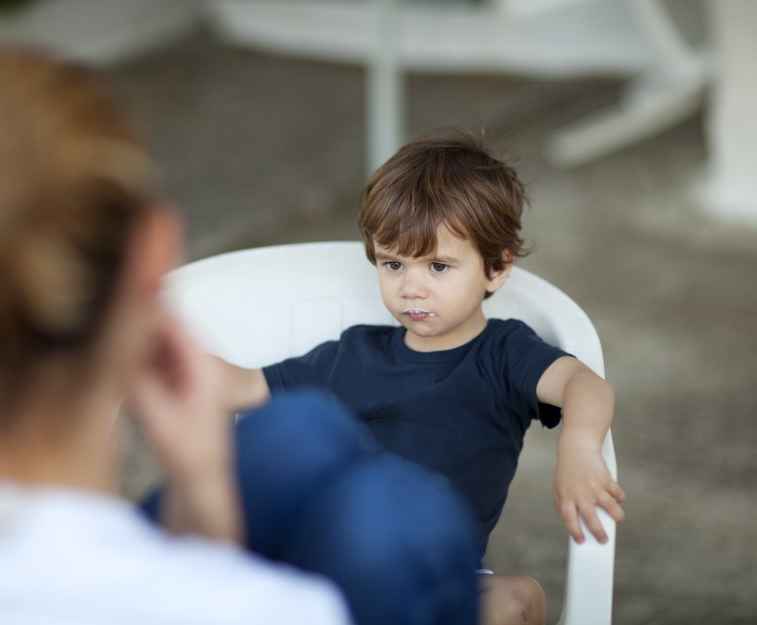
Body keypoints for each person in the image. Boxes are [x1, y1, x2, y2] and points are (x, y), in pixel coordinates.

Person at [0, 48, 478, 624]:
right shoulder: (282, 612)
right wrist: (200, 501)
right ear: (155, 252)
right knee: (409, 520)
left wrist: (200, 482)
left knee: (301, 430)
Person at [216, 127, 627, 625]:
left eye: (437, 267)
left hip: (441, 575)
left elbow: (584, 385)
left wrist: (579, 449)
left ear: (496, 269)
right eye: (393, 264)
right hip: (333, 564)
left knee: (518, 598)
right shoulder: (355, 353)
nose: (411, 288)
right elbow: (243, 386)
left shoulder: (502, 353)